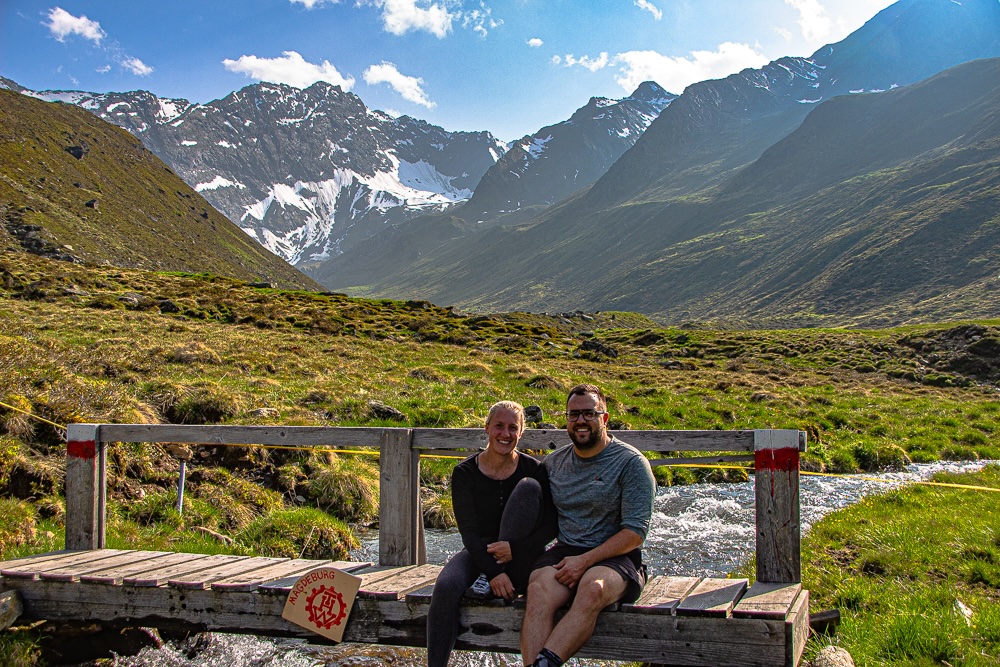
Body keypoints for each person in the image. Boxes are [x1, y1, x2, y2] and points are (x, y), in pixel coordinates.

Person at [520, 384, 656, 667]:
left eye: (589, 414)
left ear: (604, 418)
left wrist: (584, 561)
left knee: (593, 588)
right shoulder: (554, 464)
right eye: (574, 414)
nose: (580, 420)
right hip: (566, 550)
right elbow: (536, 516)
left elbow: (635, 533)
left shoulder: (631, 463)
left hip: (617, 557)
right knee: (538, 590)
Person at [426, 400, 554, 667]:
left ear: (521, 433)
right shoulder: (465, 472)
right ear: (486, 428)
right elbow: (468, 532)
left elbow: (551, 525)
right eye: (499, 426)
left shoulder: (534, 469)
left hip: (524, 556)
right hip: (480, 555)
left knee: (528, 488)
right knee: (446, 586)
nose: (505, 434)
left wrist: (515, 549)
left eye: (513, 428)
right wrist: (494, 572)